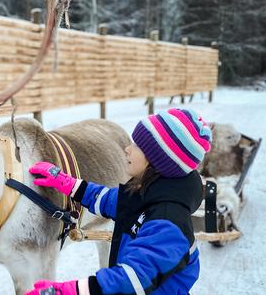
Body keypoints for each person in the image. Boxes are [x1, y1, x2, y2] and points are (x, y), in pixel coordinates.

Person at [25, 108, 212, 295]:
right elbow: (107, 199)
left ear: (158, 161)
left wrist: (72, 291)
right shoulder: (148, 192)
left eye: (137, 146)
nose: (127, 149)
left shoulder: (168, 223)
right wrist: (67, 183)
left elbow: (132, 279)